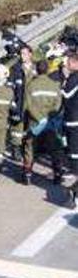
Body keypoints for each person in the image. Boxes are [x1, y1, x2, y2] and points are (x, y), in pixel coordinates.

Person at [22, 60, 64, 186]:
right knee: (55, 148)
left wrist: (38, 117)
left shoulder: (31, 85)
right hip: (50, 123)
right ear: (48, 70)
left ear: (37, 70)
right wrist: (49, 116)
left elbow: (27, 105)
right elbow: (58, 105)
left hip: (35, 122)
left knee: (29, 147)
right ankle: (57, 174)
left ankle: (27, 174)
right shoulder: (54, 85)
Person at [61, 54, 78, 207]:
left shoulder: (74, 77)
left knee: (74, 151)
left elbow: (66, 94)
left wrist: (64, 81)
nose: (66, 66)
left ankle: (74, 190)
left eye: (68, 63)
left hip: (74, 120)